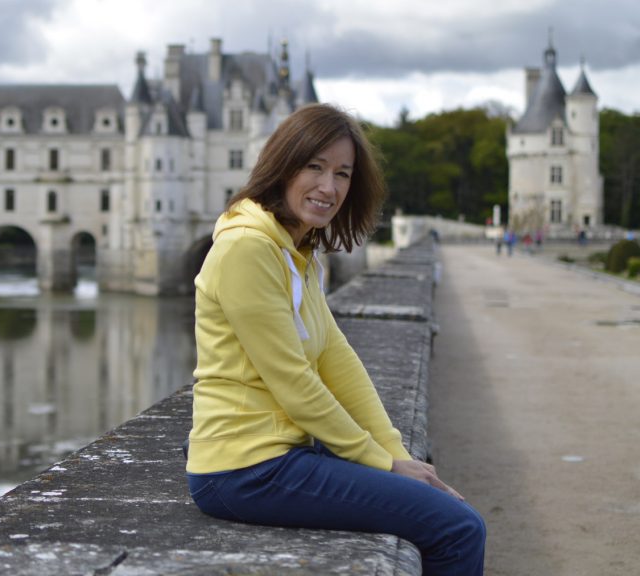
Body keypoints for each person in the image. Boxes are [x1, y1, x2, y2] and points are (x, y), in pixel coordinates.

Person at [186, 104, 486, 575]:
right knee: (459, 529)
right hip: (243, 469)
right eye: (315, 167)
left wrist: (396, 453)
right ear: (281, 165)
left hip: (280, 453)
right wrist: (384, 466)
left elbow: (335, 359)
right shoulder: (248, 249)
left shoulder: (298, 250)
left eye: (343, 174)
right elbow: (294, 383)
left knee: (443, 509)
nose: (329, 187)